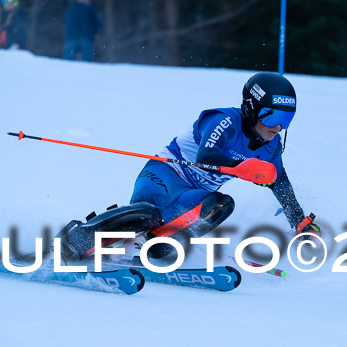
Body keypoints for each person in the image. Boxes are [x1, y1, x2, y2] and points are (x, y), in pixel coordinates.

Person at [59, 72, 320, 261]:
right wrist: (241, 166)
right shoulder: (224, 120)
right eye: (271, 115)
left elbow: (280, 182)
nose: (277, 126)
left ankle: (152, 247)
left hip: (193, 194)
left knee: (221, 205)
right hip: (164, 176)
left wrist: (300, 223)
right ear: (251, 108)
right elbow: (206, 156)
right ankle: (75, 240)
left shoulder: (271, 145)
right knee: (149, 213)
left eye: (286, 119)